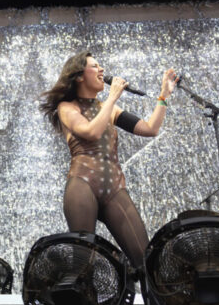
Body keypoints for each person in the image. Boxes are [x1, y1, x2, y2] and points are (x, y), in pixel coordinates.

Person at [39, 51, 178, 268]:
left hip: (114, 186)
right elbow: (91, 132)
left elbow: (150, 129)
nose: (102, 69)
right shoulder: (67, 107)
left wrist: (163, 96)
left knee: (145, 260)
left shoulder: (108, 109)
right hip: (83, 184)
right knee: (84, 261)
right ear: (79, 76)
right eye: (95, 66)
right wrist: (112, 97)